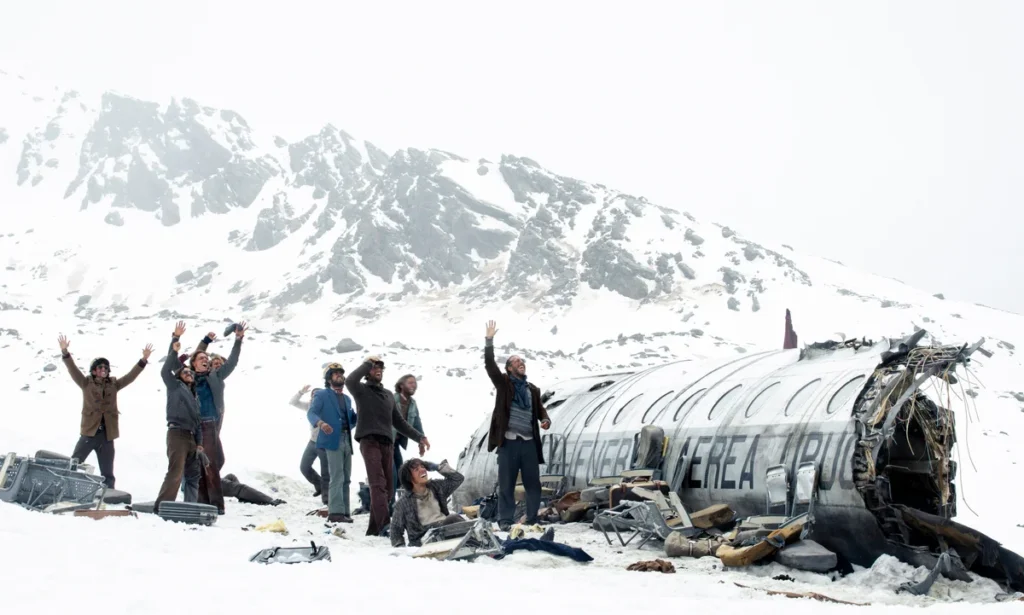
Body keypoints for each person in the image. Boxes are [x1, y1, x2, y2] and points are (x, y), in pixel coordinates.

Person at [346, 355, 430, 537]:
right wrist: (367, 363)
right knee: (378, 485)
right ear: (367, 372)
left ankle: (374, 529)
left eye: (380, 368)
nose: (378, 370)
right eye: (374, 368)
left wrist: (419, 437)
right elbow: (350, 380)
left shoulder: (387, 396)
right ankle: (386, 525)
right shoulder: (361, 390)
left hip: (387, 444)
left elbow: (399, 422)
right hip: (369, 441)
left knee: (389, 489)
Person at [57, 334, 152, 489]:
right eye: (100, 367)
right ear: (94, 371)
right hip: (89, 432)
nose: (104, 369)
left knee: (107, 472)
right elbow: (72, 369)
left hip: (107, 435)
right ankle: (62, 488)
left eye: (106, 368)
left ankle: (109, 496)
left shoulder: (114, 385)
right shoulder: (86, 383)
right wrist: (65, 352)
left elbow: (130, 377)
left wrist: (143, 360)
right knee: (74, 463)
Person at [483, 320, 551, 531]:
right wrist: (489, 341)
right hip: (509, 442)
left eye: (522, 361)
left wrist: (545, 419)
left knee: (533, 483)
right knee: (507, 484)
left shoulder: (532, 389)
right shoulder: (504, 384)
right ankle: (505, 521)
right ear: (509, 368)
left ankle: (531, 518)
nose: (521, 363)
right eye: (516, 361)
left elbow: (539, 409)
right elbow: (490, 365)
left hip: (528, 443)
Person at [180, 323, 245, 514]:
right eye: (202, 359)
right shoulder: (187, 376)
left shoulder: (215, 376)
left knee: (212, 463)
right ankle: (204, 501)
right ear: (193, 364)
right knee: (203, 463)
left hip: (209, 424)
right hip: (193, 426)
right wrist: (205, 341)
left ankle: (214, 504)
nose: (206, 360)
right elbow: (182, 361)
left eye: (207, 358)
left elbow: (232, 361)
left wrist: (238, 340)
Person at [154, 321, 205, 508]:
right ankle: (163, 505)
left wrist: (199, 443)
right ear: (179, 376)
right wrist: (175, 342)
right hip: (177, 434)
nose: (189, 373)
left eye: (190, 372)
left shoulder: (195, 396)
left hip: (191, 436)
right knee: (175, 472)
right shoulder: (175, 386)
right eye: (185, 372)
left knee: (193, 474)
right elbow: (166, 369)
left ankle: (190, 506)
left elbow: (198, 422)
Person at [308, 363, 358, 523]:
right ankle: (335, 513)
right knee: (337, 475)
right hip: (331, 440)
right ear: (329, 378)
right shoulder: (322, 395)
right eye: (335, 374)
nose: (339, 376)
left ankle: (345, 512)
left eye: (340, 373)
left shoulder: (347, 399)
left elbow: (351, 420)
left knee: (347, 477)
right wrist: (321, 424)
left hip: (346, 440)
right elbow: (312, 413)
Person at [390, 458, 465, 548]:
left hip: (445, 529)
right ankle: (474, 543)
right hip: (425, 540)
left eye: (423, 466)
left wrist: (437, 467)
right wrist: (401, 549)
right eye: (416, 469)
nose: (422, 470)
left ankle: (474, 544)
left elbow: (458, 479)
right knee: (454, 518)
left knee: (466, 523)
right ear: (409, 478)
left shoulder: (436, 487)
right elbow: (395, 529)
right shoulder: (403, 502)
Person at [390, 374, 425, 511]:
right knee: (391, 474)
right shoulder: (391, 399)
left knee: (400, 474)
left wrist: (421, 440)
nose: (413, 385)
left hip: (397, 443)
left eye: (414, 383)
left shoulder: (412, 403)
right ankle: (389, 507)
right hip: (387, 441)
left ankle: (398, 503)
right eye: (410, 383)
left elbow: (417, 423)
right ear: (401, 385)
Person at [290, 384, 329, 503]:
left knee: (326, 472)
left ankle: (327, 500)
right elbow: (293, 402)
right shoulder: (309, 406)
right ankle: (319, 485)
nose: (314, 397)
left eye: (317, 395)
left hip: (324, 444)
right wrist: (301, 392)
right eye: (312, 395)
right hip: (312, 442)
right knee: (304, 467)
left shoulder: (327, 407)